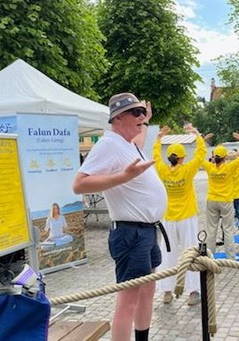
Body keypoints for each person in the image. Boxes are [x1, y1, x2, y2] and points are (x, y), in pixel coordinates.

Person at [73, 93, 166, 341]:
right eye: (135, 113)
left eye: (142, 112)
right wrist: (122, 178)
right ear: (118, 117)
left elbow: (142, 134)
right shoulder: (109, 144)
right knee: (129, 297)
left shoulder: (130, 143)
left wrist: (146, 121)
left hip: (147, 230)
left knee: (148, 289)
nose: (141, 116)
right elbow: (79, 184)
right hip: (130, 232)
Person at [153, 124, 207, 306]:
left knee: (167, 253)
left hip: (168, 217)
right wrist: (196, 133)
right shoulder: (187, 170)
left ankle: (166, 291)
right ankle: (193, 292)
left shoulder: (162, 170)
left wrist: (158, 138)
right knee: (190, 252)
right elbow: (201, 153)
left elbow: (155, 157)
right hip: (187, 217)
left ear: (169, 158)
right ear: (183, 158)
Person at [202, 134, 239, 259]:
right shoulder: (229, 167)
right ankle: (231, 255)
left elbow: (199, 156)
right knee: (228, 229)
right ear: (225, 157)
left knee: (211, 229)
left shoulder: (209, 167)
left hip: (211, 200)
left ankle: (210, 255)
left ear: (214, 157)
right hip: (226, 201)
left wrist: (202, 141)